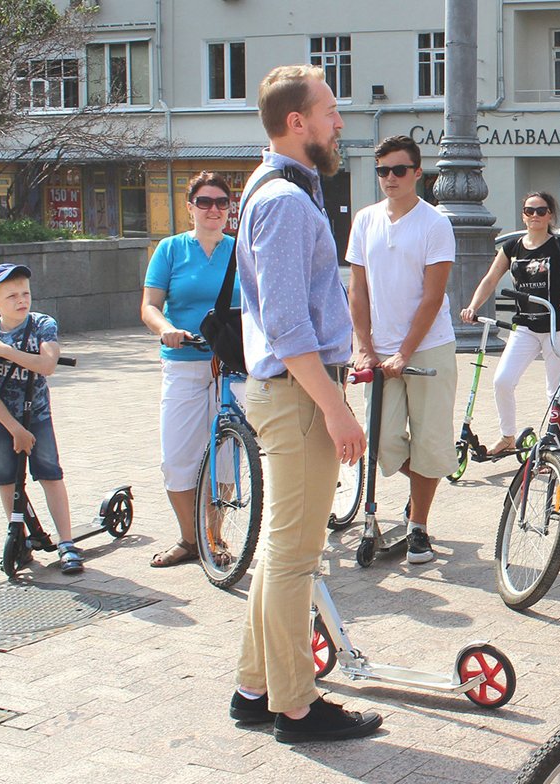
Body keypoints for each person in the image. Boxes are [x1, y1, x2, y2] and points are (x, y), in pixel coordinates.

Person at [228, 64, 379, 743]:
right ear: (297, 123)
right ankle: (296, 705)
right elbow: (289, 326)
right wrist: (337, 408)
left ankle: (254, 688)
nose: (339, 122)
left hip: (291, 391)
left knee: (278, 552)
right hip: (296, 394)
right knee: (294, 558)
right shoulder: (285, 201)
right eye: (329, 111)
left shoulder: (279, 190)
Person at [345, 134, 460, 565]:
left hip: (427, 348)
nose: (389, 178)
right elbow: (358, 287)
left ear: (417, 173)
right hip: (379, 351)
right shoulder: (365, 219)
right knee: (384, 443)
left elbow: (432, 296)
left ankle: (419, 527)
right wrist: (364, 346)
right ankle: (427, 482)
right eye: (382, 171)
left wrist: (405, 353)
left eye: (398, 170)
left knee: (428, 443)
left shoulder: (434, 223)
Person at [142, 172, 240, 568]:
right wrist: (167, 330)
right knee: (177, 456)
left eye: (221, 202)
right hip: (184, 363)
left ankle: (214, 536)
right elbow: (149, 305)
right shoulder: (170, 249)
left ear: (229, 208)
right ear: (190, 207)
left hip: (230, 364)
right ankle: (190, 537)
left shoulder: (240, 249)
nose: (213, 209)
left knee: (227, 455)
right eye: (204, 202)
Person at [461, 191, 560, 454]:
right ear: (523, 215)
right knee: (502, 381)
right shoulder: (512, 247)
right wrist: (472, 307)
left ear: (550, 215)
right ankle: (507, 438)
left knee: (556, 391)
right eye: (529, 210)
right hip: (524, 327)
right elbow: (490, 279)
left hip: (557, 328)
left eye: (541, 210)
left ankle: (557, 449)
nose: (534, 215)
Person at [0, 264, 80, 574]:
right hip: (3, 421)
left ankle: (66, 542)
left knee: (50, 474)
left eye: (26, 293)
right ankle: (19, 540)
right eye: (12, 296)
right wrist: (15, 430)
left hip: (38, 415)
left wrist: (5, 351)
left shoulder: (41, 325)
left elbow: (47, 364)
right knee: (6, 480)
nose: (21, 300)